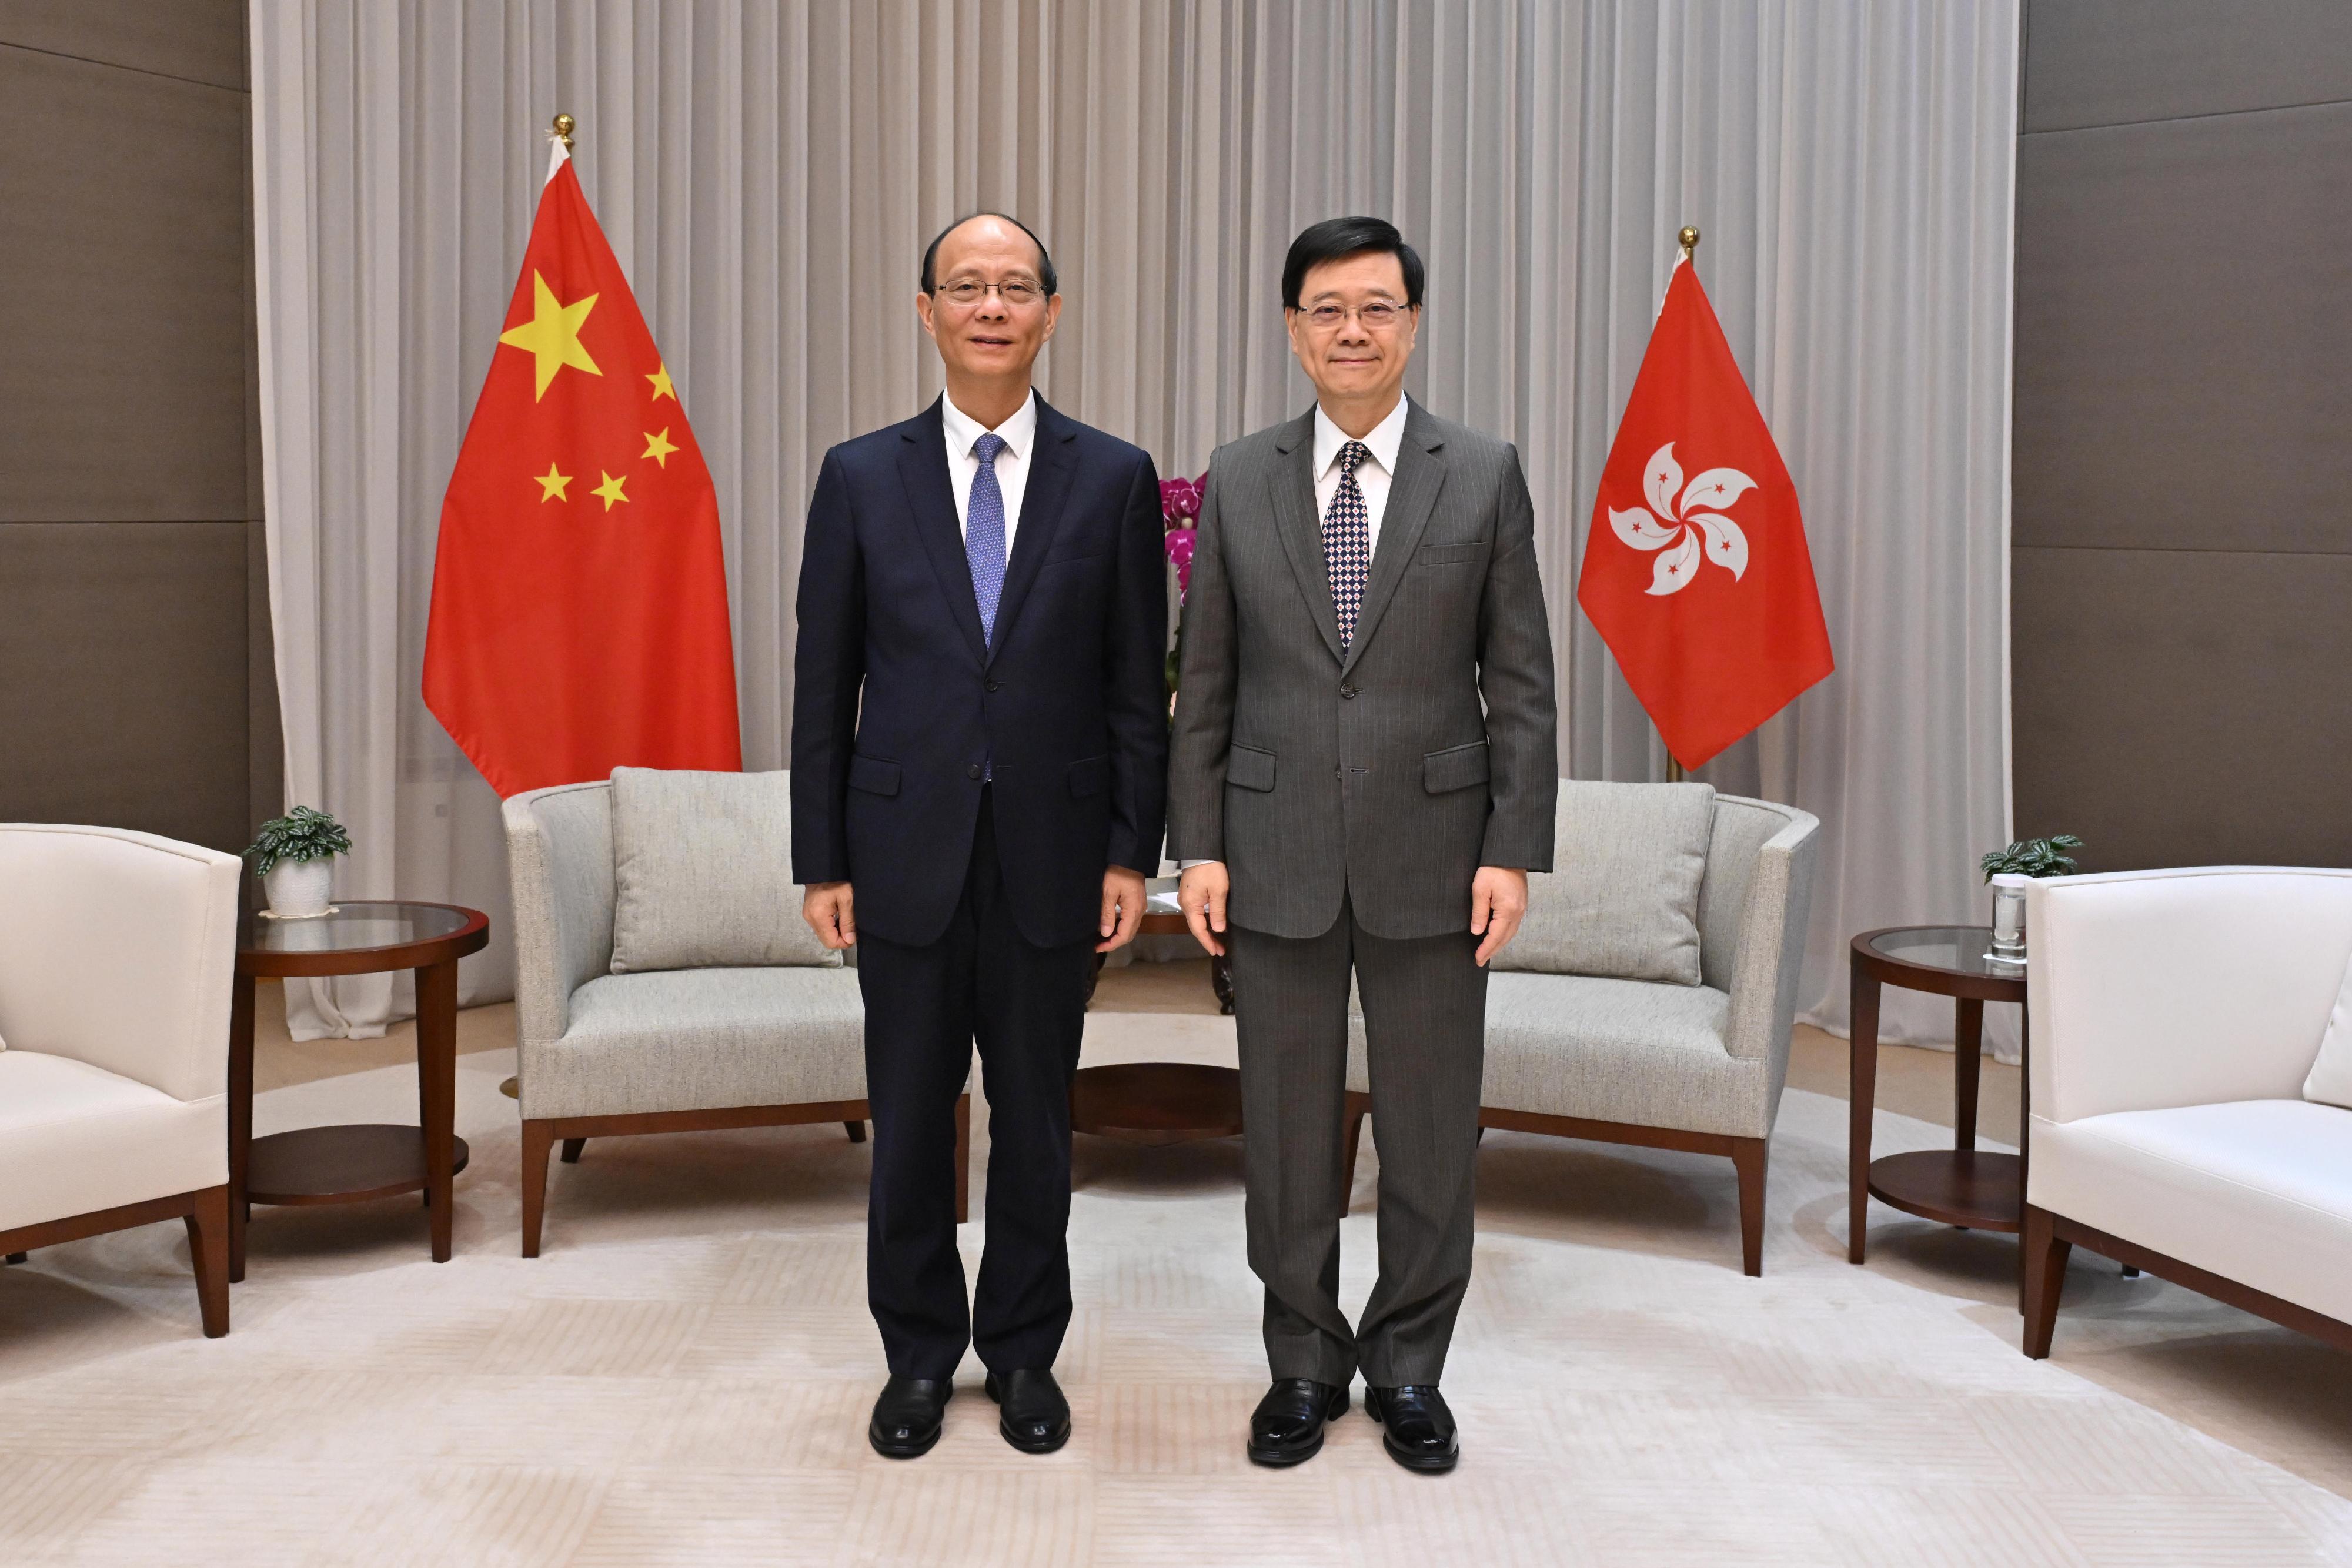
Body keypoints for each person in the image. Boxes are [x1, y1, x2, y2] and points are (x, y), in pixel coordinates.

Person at [1168, 216, 1558, 1474]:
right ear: (1291, 328)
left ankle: (1406, 1368)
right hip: (1269, 845)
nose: (1351, 329)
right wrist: (1199, 848)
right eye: (1325, 308)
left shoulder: (1482, 469)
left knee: (1430, 1124)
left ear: (1411, 321)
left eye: (1375, 307)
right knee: (1282, 1128)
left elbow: (1522, 680)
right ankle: (1300, 1359)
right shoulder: (1237, 473)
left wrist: (1511, 848)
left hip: (1435, 853)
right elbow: (1205, 683)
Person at [791, 213, 1168, 1459]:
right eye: (968, 285)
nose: (991, 306)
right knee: (906, 1119)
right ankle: (914, 1354)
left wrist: (1131, 851)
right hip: (899, 856)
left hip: (1054, 859)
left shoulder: (1111, 475)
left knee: (1035, 1120)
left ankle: (1019, 1351)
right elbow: (821, 682)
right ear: (926, 309)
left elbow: (1132, 690)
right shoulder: (858, 474)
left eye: (1015, 287)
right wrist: (821, 857)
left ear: (1051, 313)